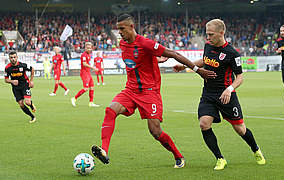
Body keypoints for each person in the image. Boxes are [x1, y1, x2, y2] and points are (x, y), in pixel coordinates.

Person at [91, 14, 215, 168]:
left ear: (131, 27)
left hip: (149, 92)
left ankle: (178, 156)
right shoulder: (122, 44)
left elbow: (175, 54)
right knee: (110, 110)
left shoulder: (146, 43)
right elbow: (137, 59)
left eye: (122, 28)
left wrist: (198, 70)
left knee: (155, 131)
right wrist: (154, 59)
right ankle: (104, 150)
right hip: (130, 89)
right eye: (118, 29)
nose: (120, 32)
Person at [173, 19, 266, 170]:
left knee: (240, 129)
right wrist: (185, 66)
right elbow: (205, 61)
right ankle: (220, 158)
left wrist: (229, 89)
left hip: (226, 95)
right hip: (208, 94)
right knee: (204, 124)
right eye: (206, 34)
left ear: (221, 33)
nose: (207, 38)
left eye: (210, 34)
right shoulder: (208, 46)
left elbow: (240, 77)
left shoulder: (231, 53)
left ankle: (255, 149)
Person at [4, 51, 37, 123]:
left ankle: (31, 105)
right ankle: (32, 117)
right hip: (15, 88)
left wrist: (31, 81)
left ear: (17, 57)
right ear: (9, 58)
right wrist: (12, 81)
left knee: (27, 102)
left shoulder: (22, 65)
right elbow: (6, 80)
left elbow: (32, 69)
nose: (13, 59)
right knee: (21, 104)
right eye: (11, 57)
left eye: (14, 57)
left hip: (25, 85)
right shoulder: (7, 68)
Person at [71, 42, 100, 107]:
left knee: (92, 87)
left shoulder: (89, 55)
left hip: (88, 73)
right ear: (85, 48)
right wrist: (93, 67)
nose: (89, 49)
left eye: (90, 48)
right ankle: (74, 98)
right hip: (84, 73)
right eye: (88, 48)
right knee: (86, 88)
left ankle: (91, 102)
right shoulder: (84, 55)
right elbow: (84, 64)